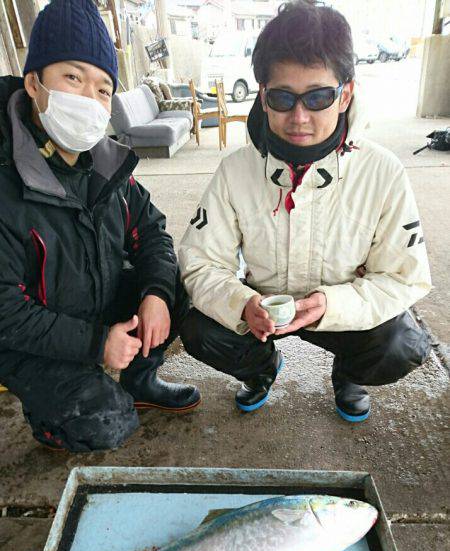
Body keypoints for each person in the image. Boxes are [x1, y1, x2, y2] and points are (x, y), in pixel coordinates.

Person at [179, 0, 431, 421]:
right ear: (263, 94)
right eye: (282, 97)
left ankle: (349, 374)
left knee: (402, 343)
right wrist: (242, 304)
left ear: (345, 93)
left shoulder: (384, 172)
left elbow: (404, 277)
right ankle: (261, 369)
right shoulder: (234, 171)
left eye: (318, 97)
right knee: (196, 327)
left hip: (343, 313)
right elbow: (201, 262)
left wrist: (331, 305)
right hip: (261, 315)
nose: (299, 116)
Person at [0, 0, 200, 453]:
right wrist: (95, 345)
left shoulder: (108, 166)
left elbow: (152, 234)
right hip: (24, 338)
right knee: (106, 424)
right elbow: (5, 312)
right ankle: (50, 417)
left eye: (103, 88)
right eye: (72, 78)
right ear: (34, 83)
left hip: (93, 302)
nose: (89, 99)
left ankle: (140, 380)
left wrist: (155, 296)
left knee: (177, 285)